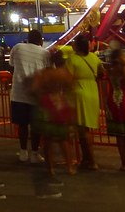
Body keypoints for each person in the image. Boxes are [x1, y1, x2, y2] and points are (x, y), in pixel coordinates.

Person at [31, 48, 77, 176]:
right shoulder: (64, 74)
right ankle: (69, 167)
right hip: (60, 104)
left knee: (47, 141)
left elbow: (34, 89)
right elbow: (71, 88)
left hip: (46, 105)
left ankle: (50, 168)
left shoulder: (44, 74)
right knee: (64, 139)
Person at [9, 28, 50, 163]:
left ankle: (22, 152)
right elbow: (49, 71)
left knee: (22, 125)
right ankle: (34, 153)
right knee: (35, 125)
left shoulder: (18, 47)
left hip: (18, 92)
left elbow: (12, 65)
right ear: (40, 40)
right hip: (36, 93)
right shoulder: (45, 53)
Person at [66, 34, 102, 170]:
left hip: (79, 93)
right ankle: (86, 160)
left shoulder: (72, 59)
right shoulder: (94, 57)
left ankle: (91, 161)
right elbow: (101, 73)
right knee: (86, 129)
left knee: (83, 130)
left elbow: (68, 78)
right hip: (93, 92)